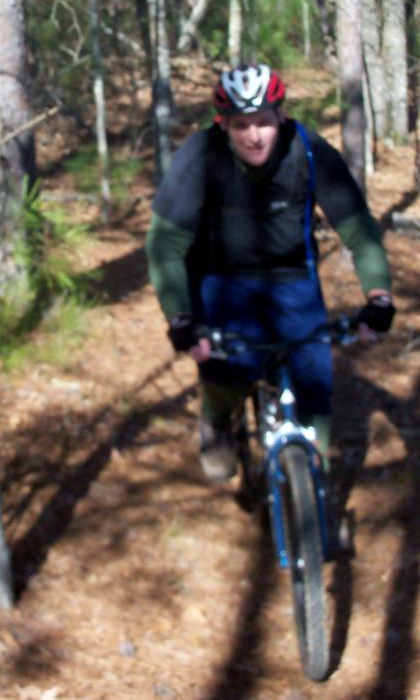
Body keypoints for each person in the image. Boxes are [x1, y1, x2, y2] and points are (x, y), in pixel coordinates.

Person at [144, 63, 394, 481]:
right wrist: (181, 318)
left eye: (263, 122)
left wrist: (378, 297)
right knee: (225, 370)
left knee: (315, 385)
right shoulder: (201, 156)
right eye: (241, 125)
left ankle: (315, 494)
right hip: (220, 281)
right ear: (222, 124)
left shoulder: (307, 150)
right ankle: (217, 419)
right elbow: (165, 243)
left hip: (293, 281)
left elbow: (358, 228)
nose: (254, 135)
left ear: (282, 117)